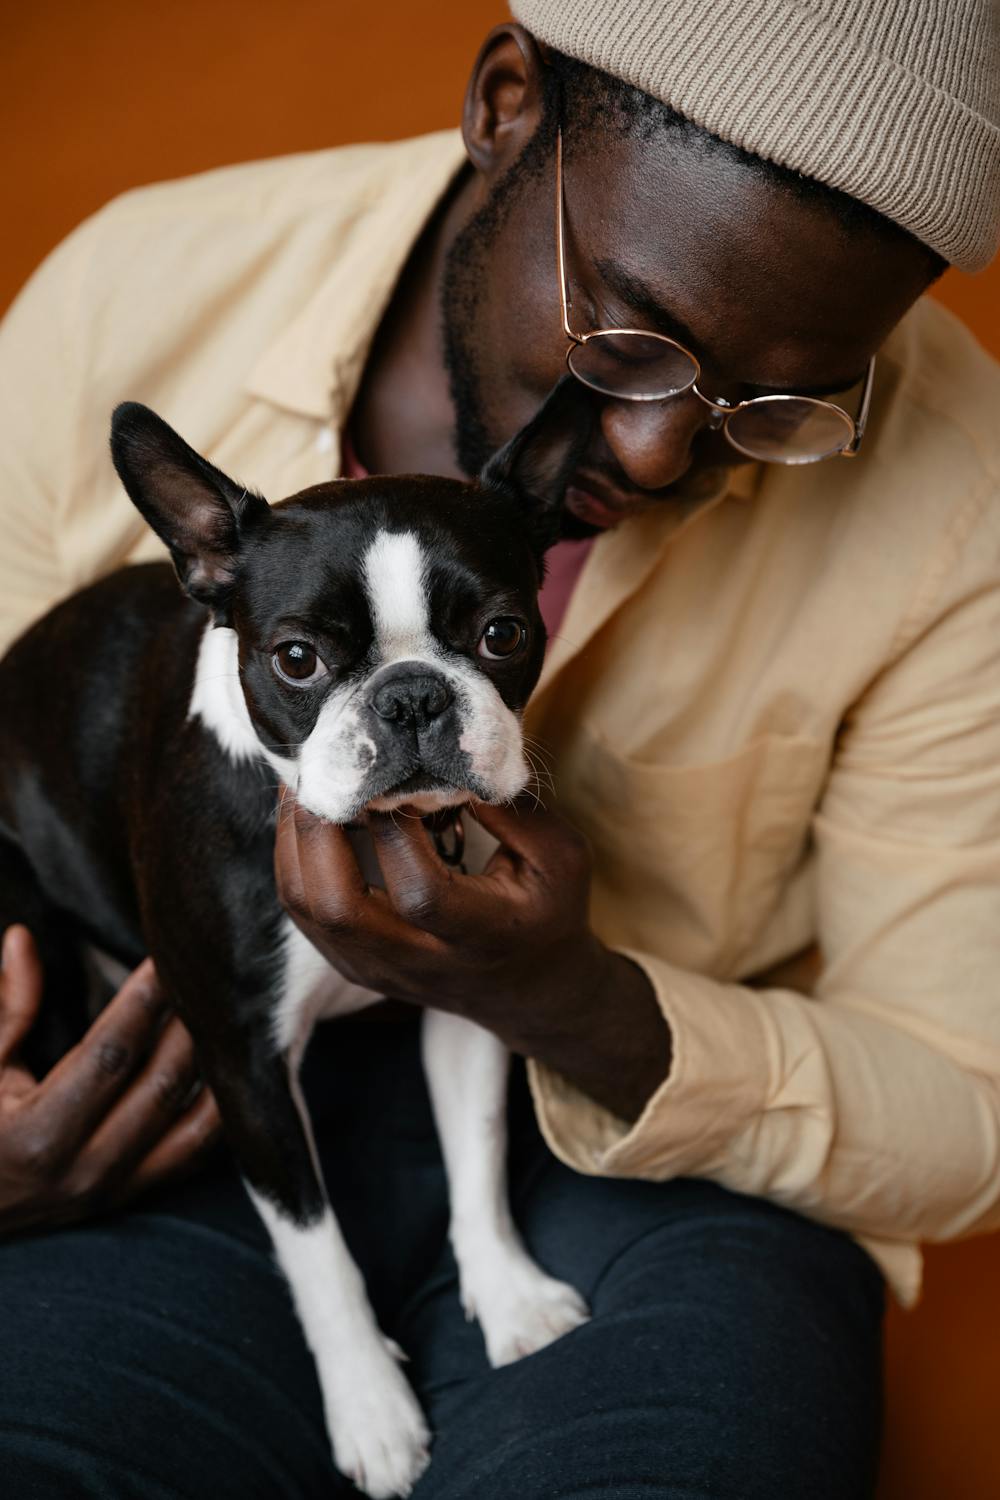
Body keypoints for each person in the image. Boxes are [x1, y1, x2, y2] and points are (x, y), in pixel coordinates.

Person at [1, 2, 998, 1495]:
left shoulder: (962, 493)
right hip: (175, 1102)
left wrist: (565, 993)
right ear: (508, 103)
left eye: (783, 404)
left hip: (645, 1158)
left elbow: (967, 1113)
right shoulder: (140, 291)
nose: (661, 452)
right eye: (631, 337)